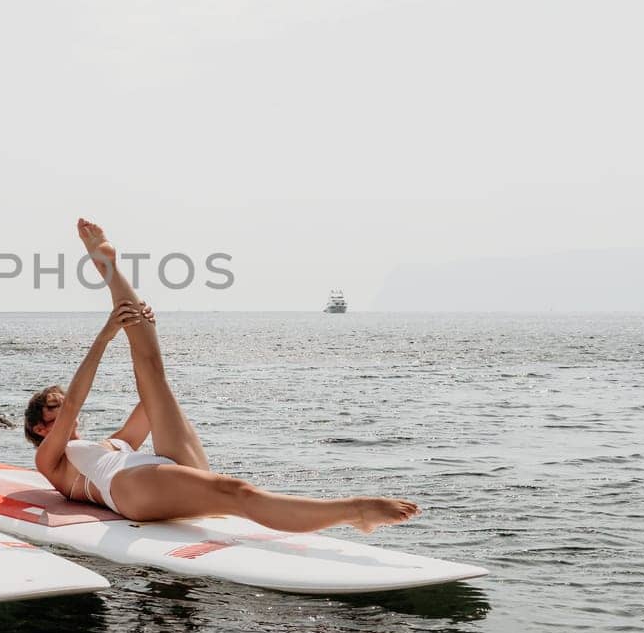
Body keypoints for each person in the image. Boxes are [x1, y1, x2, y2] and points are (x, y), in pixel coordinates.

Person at [24, 219, 420, 533]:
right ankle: (355, 511)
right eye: (55, 413)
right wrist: (106, 335)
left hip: (150, 466)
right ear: (41, 429)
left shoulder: (111, 443)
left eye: (63, 409)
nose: (69, 415)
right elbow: (77, 400)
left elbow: (151, 399)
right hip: (128, 489)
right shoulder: (51, 459)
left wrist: (142, 329)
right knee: (236, 491)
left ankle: (108, 268)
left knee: (154, 375)